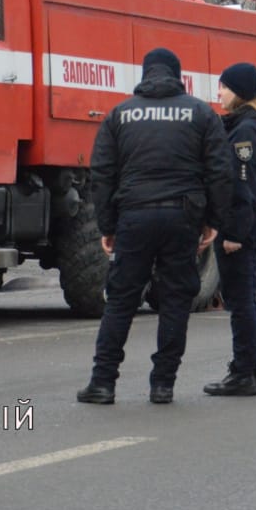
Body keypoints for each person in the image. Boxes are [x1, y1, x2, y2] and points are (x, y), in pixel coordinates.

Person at [77, 48, 233, 406]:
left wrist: (108, 225)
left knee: (121, 300)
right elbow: (220, 172)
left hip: (134, 215)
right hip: (183, 217)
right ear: (178, 76)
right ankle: (162, 384)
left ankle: (102, 383)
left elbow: (102, 173)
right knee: (176, 299)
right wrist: (213, 221)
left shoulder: (120, 114)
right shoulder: (200, 113)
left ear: (146, 74)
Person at [204, 62, 256, 399]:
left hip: (239, 225)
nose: (218, 92)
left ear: (239, 91)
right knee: (245, 298)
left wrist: (233, 232)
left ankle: (245, 372)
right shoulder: (250, 124)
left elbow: (241, 186)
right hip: (248, 220)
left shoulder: (245, 131)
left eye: (223, 86)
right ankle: (249, 369)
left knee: (240, 301)